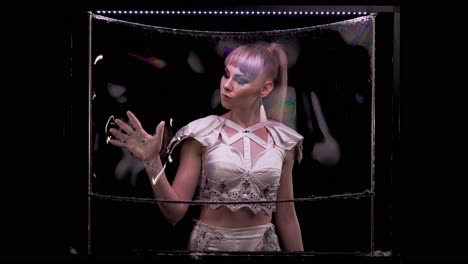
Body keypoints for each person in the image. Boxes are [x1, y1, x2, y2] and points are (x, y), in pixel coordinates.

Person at [108, 42, 304, 252]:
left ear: (265, 88)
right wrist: (152, 161)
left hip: (264, 251)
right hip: (210, 250)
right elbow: (174, 213)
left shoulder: (282, 140)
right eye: (226, 74)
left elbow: (287, 217)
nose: (227, 85)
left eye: (240, 80)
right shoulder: (202, 133)